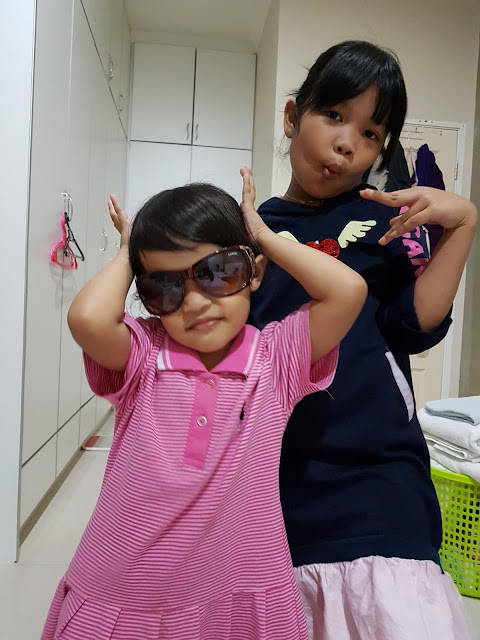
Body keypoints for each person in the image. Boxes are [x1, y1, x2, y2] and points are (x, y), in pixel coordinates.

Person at [41, 175, 367, 640]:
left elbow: (347, 290)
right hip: (129, 585)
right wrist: (128, 251)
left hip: (239, 584)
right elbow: (88, 319)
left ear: (253, 272)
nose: (195, 302)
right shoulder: (143, 355)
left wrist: (262, 235)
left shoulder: (276, 360)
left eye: (218, 271)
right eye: (165, 287)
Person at [248, 40, 477, 640]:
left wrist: (462, 225)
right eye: (333, 115)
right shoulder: (253, 233)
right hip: (273, 476)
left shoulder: (383, 223)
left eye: (371, 133)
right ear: (293, 115)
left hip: (381, 472)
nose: (348, 143)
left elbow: (414, 326)